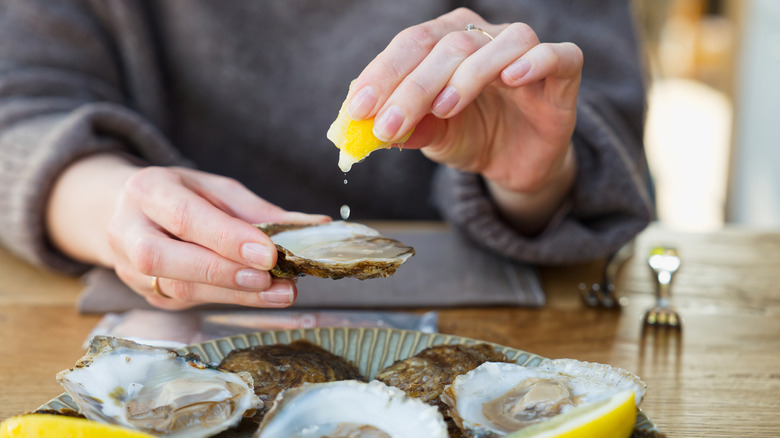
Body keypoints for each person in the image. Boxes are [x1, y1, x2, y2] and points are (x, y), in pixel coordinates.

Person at [0, 0, 653, 310]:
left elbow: (600, 112)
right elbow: (19, 106)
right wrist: (117, 205)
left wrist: (533, 180)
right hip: (155, 329)